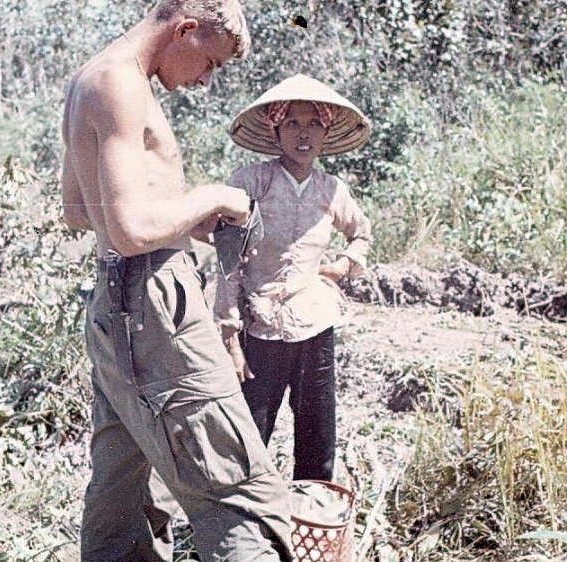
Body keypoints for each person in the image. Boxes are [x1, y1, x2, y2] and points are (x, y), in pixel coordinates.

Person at [61, 2, 293, 561]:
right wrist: (214, 197)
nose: (207, 80)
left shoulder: (90, 78)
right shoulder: (121, 85)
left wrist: (188, 221)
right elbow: (133, 229)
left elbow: (78, 210)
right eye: (209, 62)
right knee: (239, 488)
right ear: (184, 29)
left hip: (119, 307)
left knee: (122, 488)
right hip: (154, 306)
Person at [215, 74, 373, 482]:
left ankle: (313, 515)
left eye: (313, 125)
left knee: (317, 431)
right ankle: (243, 525)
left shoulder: (332, 189)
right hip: (259, 325)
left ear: (325, 132)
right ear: (276, 130)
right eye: (292, 124)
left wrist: (344, 265)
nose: (303, 135)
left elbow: (361, 233)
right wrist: (231, 337)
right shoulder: (252, 182)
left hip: (313, 322)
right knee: (249, 435)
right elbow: (228, 262)